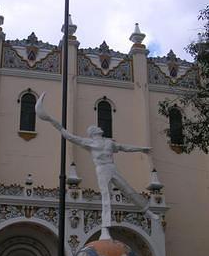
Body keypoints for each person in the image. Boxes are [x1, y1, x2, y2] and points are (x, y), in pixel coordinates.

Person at [35, 92, 158, 240]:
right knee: (106, 197)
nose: (99, 127)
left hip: (112, 168)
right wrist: (54, 123)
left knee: (128, 189)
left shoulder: (109, 142)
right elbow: (69, 136)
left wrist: (141, 149)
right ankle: (105, 229)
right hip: (102, 170)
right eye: (96, 127)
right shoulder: (90, 143)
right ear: (93, 133)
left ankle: (147, 211)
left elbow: (125, 147)